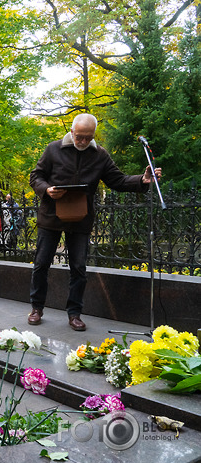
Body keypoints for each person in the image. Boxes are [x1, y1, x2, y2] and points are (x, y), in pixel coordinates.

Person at [28, 113, 161, 331]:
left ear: (93, 135)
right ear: (72, 132)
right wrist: (46, 189)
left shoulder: (100, 155)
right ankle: (36, 308)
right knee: (42, 264)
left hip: (81, 219)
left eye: (87, 138)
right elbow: (36, 176)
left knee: (79, 268)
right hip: (51, 217)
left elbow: (117, 180)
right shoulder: (53, 149)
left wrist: (142, 180)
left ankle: (74, 314)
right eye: (79, 136)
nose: (82, 141)